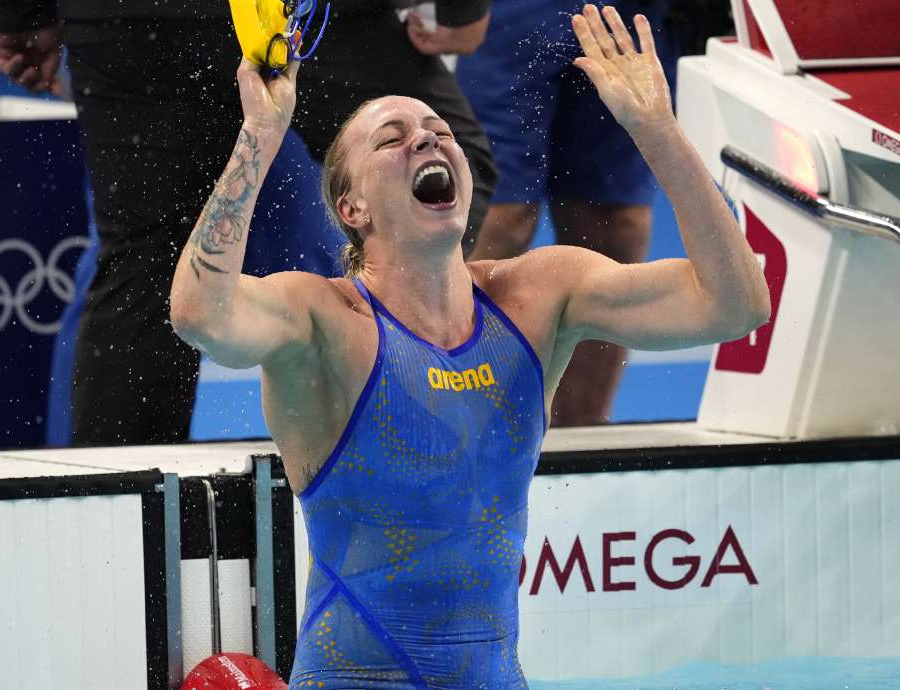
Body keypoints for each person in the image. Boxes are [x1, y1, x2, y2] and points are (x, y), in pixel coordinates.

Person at [170, 5, 769, 686]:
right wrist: (261, 133)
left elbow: (735, 304)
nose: (427, 142)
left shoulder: (538, 295)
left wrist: (656, 131)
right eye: (393, 138)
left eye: (439, 130)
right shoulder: (326, 322)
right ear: (352, 208)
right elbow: (199, 313)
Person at [0, 0, 499, 446]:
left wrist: (22, 15)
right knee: (449, 166)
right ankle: (412, 423)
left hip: (138, 19)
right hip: (307, 15)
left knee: (143, 264)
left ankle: (119, 514)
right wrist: (461, 10)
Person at [453, 0, 679, 427]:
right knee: (499, 219)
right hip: (512, 11)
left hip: (634, 11)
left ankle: (582, 438)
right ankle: (455, 430)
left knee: (611, 225)